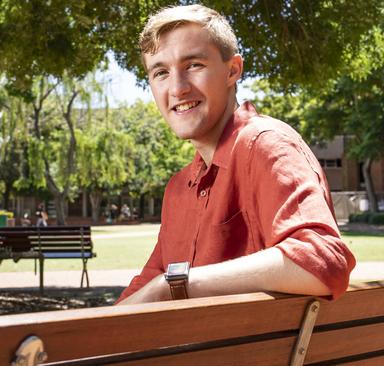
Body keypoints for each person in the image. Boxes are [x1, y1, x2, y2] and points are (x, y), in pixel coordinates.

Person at [117, 5, 355, 305]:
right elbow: (150, 279)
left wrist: (174, 285)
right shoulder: (179, 186)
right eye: (161, 72)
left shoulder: (266, 145)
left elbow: (323, 262)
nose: (177, 88)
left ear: (233, 70)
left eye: (194, 65)